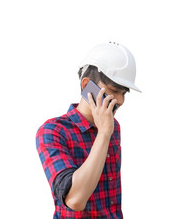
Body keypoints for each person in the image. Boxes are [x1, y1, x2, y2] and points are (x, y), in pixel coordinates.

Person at [36, 42, 141, 218]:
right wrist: (103, 134)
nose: (120, 100)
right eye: (114, 91)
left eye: (124, 93)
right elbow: (75, 200)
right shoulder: (52, 131)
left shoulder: (113, 128)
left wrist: (106, 131)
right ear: (86, 85)